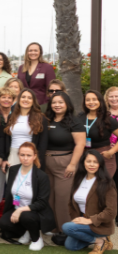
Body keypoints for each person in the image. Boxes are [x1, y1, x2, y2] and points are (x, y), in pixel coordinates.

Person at [0, 142, 55, 251]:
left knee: (25, 216)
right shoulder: (13, 170)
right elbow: (11, 194)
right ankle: (27, 231)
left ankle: (37, 239)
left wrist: (20, 210)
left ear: (34, 156)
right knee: (3, 223)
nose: (25, 158)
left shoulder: (41, 176)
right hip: (16, 207)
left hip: (35, 212)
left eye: (28, 155)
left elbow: (42, 202)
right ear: (18, 155)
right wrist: (14, 210)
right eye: (22, 155)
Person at [45, 91, 86, 234]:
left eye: (60, 102)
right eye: (54, 102)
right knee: (49, 196)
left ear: (67, 104)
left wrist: (73, 164)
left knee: (62, 198)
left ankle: (65, 230)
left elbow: (80, 145)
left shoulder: (75, 122)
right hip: (46, 163)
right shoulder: (47, 119)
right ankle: (52, 227)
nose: (57, 105)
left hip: (65, 163)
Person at [62, 150, 117, 254]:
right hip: (83, 220)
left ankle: (101, 240)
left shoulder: (107, 183)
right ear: (83, 163)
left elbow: (111, 212)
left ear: (100, 164)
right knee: (71, 246)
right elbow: (71, 203)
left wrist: (90, 220)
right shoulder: (79, 179)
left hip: (99, 223)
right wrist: (76, 219)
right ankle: (99, 239)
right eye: (89, 161)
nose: (92, 164)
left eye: (95, 162)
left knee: (66, 227)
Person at [78, 90, 118, 178]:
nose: (91, 102)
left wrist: (111, 151)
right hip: (85, 157)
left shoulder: (108, 119)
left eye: (94, 99)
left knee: (102, 186)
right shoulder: (80, 117)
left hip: (104, 157)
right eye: (88, 100)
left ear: (100, 101)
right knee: (89, 187)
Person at [17, 42, 56, 108]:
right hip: (24, 104)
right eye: (30, 50)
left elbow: (51, 88)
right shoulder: (21, 68)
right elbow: (19, 87)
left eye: (35, 50)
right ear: (27, 52)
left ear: (40, 52)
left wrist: (45, 105)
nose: (33, 53)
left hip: (41, 105)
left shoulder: (47, 67)